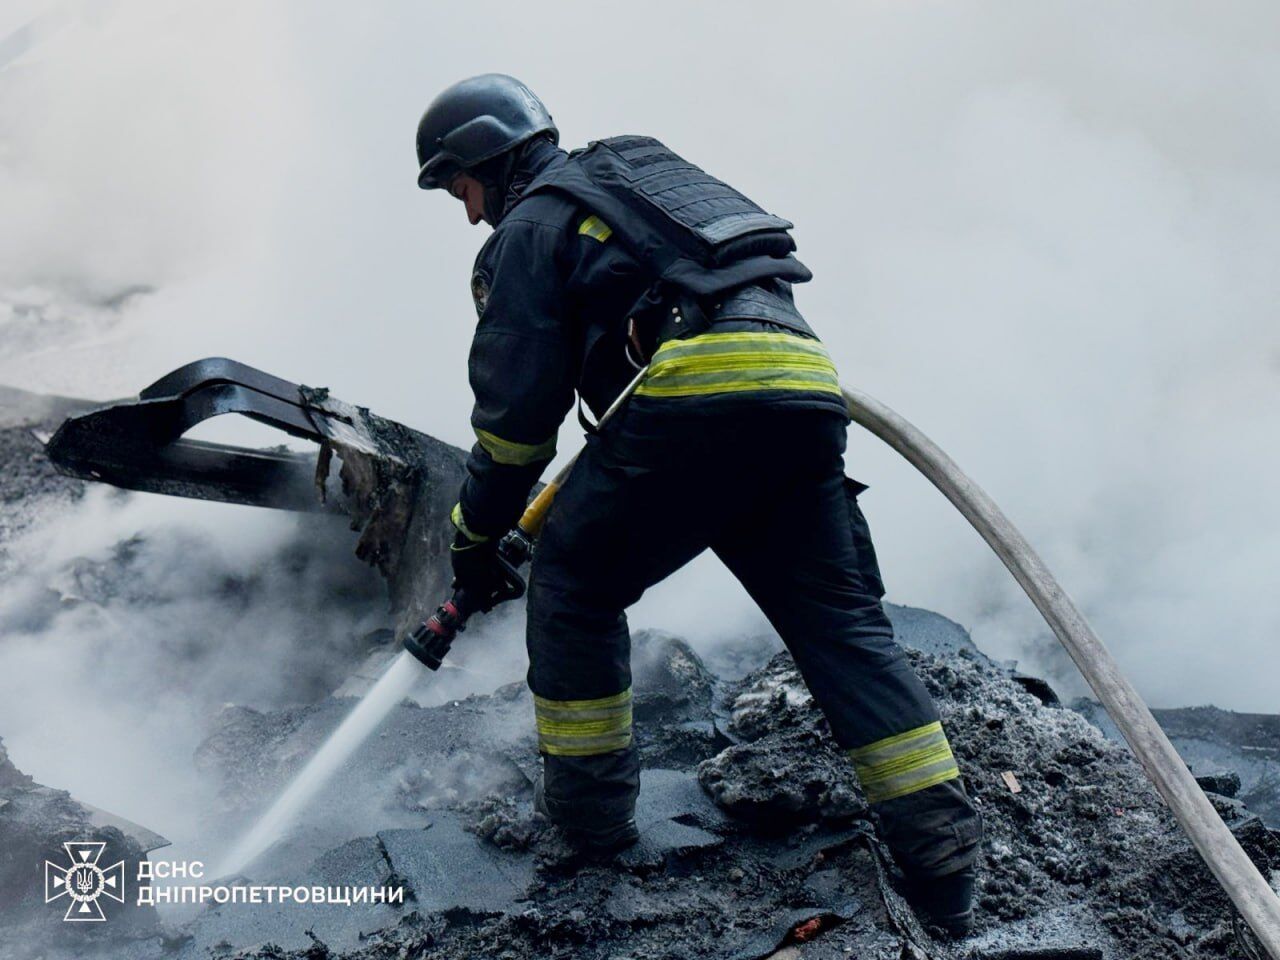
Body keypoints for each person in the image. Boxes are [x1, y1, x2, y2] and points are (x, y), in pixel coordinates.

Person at [415, 73, 983, 935]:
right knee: (840, 625)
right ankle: (945, 872)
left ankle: (592, 836)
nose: (467, 214)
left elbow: (516, 423)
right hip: (801, 389)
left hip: (694, 397)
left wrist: (474, 536)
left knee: (573, 586)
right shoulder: (635, 185)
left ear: (486, 160)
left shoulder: (530, 229)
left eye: (460, 189)